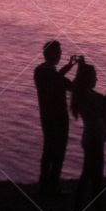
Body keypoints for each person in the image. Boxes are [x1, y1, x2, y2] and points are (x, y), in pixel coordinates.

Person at [70, 61, 106, 211]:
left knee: (88, 176)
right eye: (95, 76)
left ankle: (81, 210)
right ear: (88, 79)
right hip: (93, 141)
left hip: (93, 139)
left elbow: (104, 104)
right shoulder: (87, 98)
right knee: (93, 177)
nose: (97, 79)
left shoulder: (85, 96)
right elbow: (104, 107)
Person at [34, 41, 78, 195]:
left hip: (47, 118)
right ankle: (52, 186)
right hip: (57, 119)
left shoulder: (41, 71)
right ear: (51, 54)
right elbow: (67, 84)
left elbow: (58, 79)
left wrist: (69, 66)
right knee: (57, 152)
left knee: (49, 151)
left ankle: (45, 184)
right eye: (58, 52)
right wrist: (74, 69)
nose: (60, 54)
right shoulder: (46, 73)